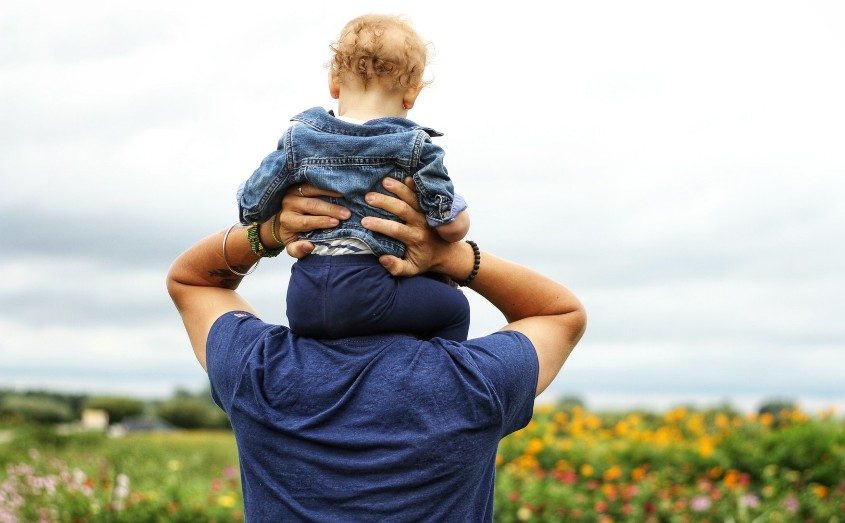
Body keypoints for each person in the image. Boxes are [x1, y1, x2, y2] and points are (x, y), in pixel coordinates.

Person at [167, 178, 586, 520]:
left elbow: (193, 281)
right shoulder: (474, 384)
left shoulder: (259, 370)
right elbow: (560, 314)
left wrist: (270, 232)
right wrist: (452, 257)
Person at [237, 14, 472, 341]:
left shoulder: (298, 140)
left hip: (304, 295)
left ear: (333, 83)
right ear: (411, 95)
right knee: (454, 308)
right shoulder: (415, 147)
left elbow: (252, 206)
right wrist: (458, 217)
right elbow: (448, 225)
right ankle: (439, 379)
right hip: (371, 291)